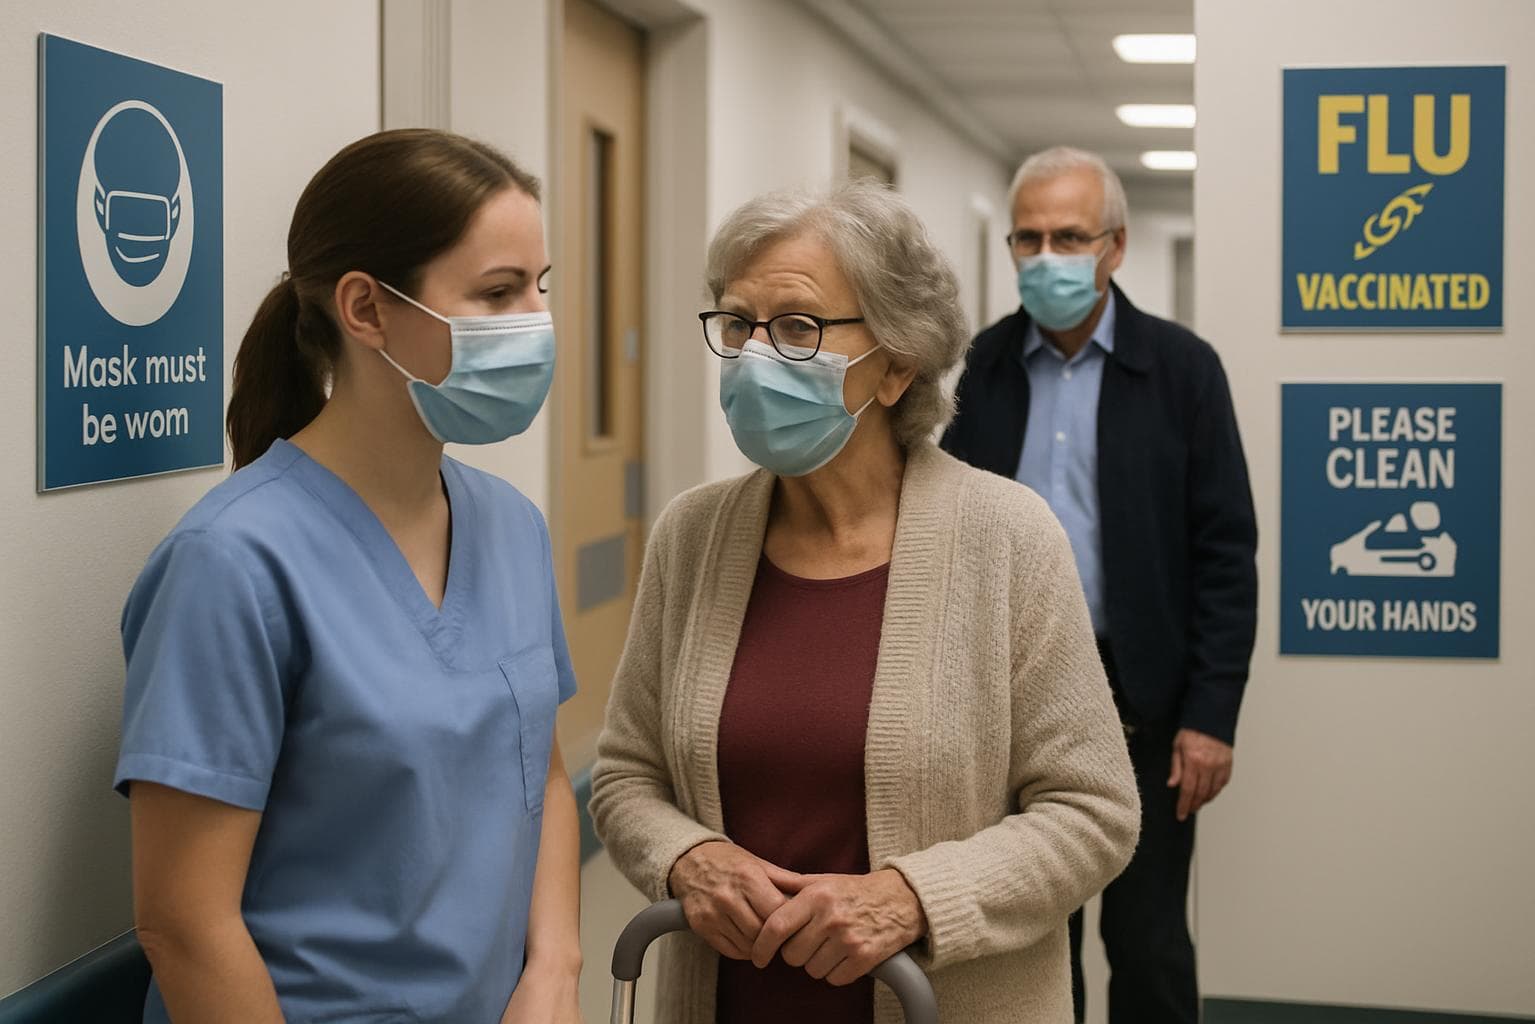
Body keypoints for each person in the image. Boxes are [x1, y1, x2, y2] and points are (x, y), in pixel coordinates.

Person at [590, 180, 1140, 1024]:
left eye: (798, 328)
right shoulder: (692, 536)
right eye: (737, 325)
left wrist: (913, 898)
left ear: (896, 364)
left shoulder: (1008, 538)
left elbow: (1093, 813)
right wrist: (686, 858)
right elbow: (627, 776)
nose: (755, 356)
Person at [114, 129, 583, 1024]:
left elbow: (545, 777)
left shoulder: (511, 527)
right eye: (498, 292)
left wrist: (555, 970)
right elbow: (184, 924)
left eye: (540, 286)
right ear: (366, 309)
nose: (536, 321)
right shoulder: (232, 564)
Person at [942, 146, 1259, 1024]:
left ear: (1114, 246)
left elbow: (1226, 551)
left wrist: (1211, 715)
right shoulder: (983, 366)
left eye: (1070, 237)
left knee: (1148, 941)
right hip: (1011, 695)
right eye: (1029, 238)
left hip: (1145, 700)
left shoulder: (1183, 370)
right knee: (1032, 940)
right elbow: (946, 528)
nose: (1046, 257)